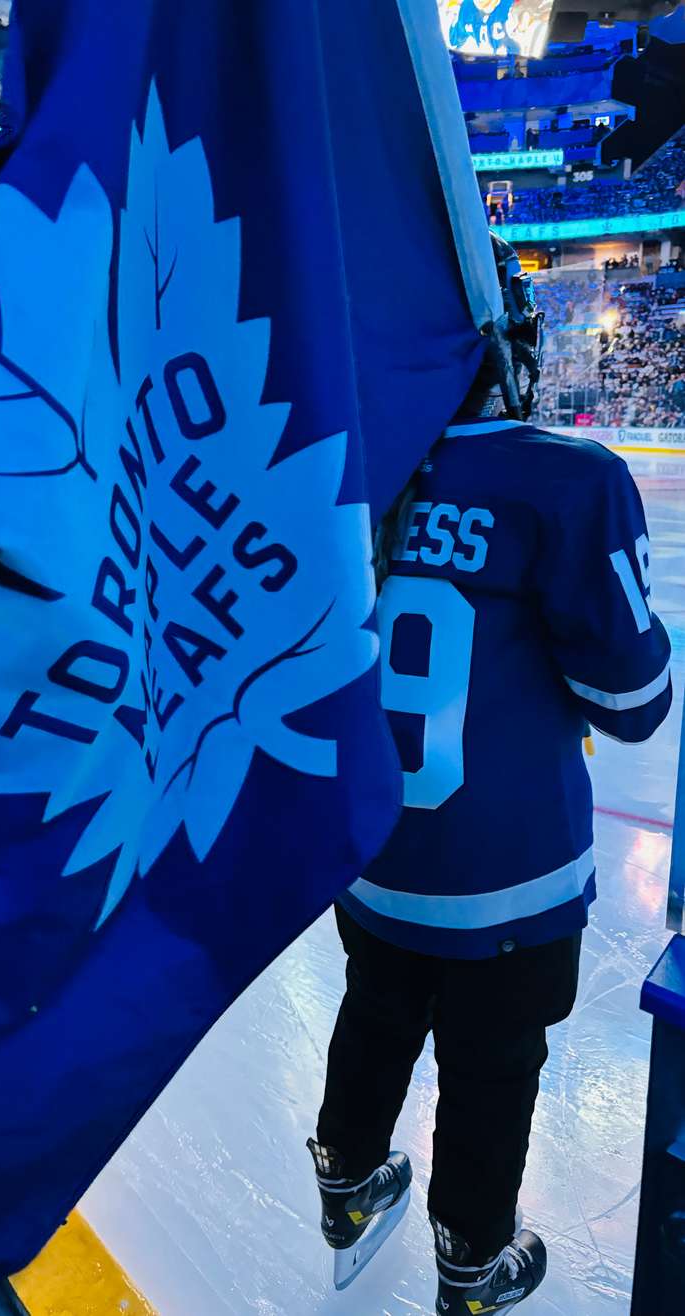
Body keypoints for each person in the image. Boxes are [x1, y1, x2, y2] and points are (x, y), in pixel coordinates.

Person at [307, 233, 673, 1313]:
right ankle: (470, 1258)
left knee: (373, 1007)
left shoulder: (356, 470)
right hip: (509, 868)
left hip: (373, 845)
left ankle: (344, 1174)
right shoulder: (569, 480)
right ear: (504, 345)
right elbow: (634, 704)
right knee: (490, 1060)